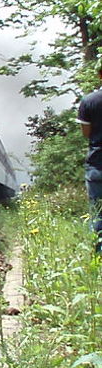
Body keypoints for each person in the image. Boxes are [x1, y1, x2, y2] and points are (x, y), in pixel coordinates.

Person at [77, 63, 102, 249]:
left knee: (98, 214)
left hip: (97, 163)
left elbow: (87, 133)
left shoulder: (89, 101)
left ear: (99, 75)